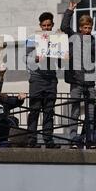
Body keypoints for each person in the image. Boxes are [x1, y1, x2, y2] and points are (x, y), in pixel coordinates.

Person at [61, 2, 96, 148]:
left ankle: (90, 140)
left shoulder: (94, 42)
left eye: (90, 28)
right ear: (80, 28)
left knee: (90, 113)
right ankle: (73, 139)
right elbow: (64, 27)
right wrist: (69, 11)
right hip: (76, 81)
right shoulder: (74, 36)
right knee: (75, 111)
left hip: (89, 81)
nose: (88, 30)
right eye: (85, 28)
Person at [26, 12, 60, 148]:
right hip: (37, 77)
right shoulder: (32, 39)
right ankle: (31, 140)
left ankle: (48, 141)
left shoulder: (57, 39)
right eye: (44, 25)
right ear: (40, 26)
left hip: (51, 78)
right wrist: (34, 59)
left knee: (49, 111)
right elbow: (24, 58)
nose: (46, 27)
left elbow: (62, 60)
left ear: (52, 25)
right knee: (34, 109)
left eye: (48, 25)